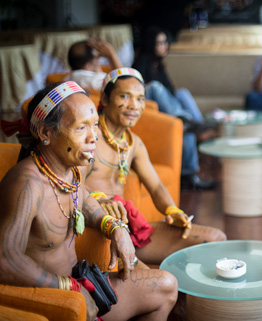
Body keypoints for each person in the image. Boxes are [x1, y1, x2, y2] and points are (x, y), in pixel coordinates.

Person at [0, 81, 177, 320]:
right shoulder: (27, 184)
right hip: (49, 298)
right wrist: (69, 288)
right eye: (81, 128)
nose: (94, 138)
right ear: (45, 133)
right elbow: (5, 260)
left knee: (166, 287)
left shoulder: (71, 169)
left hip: (79, 283)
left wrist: (114, 227)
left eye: (94, 125)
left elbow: (81, 196)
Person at [85, 67, 226, 267]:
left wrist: (173, 211)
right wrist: (99, 201)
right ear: (105, 99)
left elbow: (157, 187)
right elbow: (71, 184)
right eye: (124, 96)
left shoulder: (134, 144)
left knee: (215, 239)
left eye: (140, 99)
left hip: (127, 228)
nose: (134, 105)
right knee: (164, 284)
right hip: (96, 229)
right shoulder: (90, 137)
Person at [132, 26, 216, 190]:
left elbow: (170, 91)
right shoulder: (142, 61)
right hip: (149, 109)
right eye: (160, 43)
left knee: (182, 95)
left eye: (165, 42)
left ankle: (192, 124)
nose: (164, 46)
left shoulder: (158, 64)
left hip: (166, 110)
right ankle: (190, 122)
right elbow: (136, 88)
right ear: (151, 45)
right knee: (155, 87)